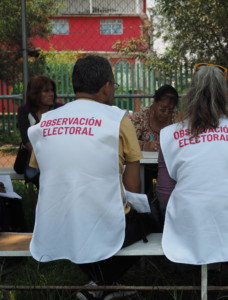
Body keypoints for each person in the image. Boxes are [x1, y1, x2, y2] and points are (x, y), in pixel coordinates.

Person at [28, 55, 147, 300]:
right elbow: (133, 186)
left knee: (84, 229)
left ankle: (99, 285)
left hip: (57, 223)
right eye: (113, 84)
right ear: (106, 86)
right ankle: (102, 284)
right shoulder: (117, 120)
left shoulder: (45, 122)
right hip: (105, 222)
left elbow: (41, 167)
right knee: (150, 221)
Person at [157, 63, 228, 265]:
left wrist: (188, 220)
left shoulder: (168, 134)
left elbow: (164, 192)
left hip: (187, 229)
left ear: (191, 93)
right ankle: (227, 274)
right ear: (225, 94)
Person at [17, 76, 62, 187]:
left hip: (57, 157)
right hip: (33, 157)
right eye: (46, 91)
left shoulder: (60, 109)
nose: (51, 94)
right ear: (35, 93)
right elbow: (26, 139)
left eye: (52, 90)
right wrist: (44, 159)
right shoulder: (25, 110)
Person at [132, 84, 179, 151]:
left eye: (170, 110)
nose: (166, 113)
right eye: (162, 109)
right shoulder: (141, 117)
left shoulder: (177, 118)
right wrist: (144, 146)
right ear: (155, 102)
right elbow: (129, 142)